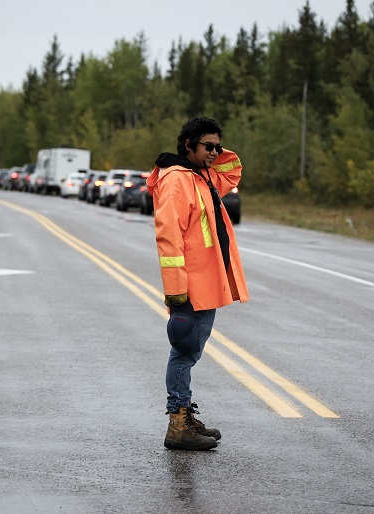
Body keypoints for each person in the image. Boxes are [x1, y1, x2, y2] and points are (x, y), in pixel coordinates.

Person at [146, 116, 249, 451]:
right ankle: (178, 424)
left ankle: (184, 414)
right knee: (184, 349)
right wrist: (176, 289)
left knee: (190, 350)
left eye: (217, 146)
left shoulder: (201, 177)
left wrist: (213, 153)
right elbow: (168, 235)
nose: (215, 153)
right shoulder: (178, 180)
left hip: (205, 284)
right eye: (208, 146)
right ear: (187, 145)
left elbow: (233, 171)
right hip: (189, 286)